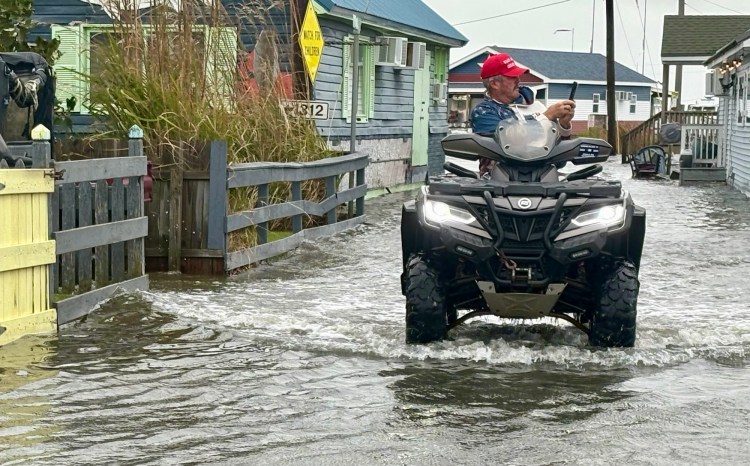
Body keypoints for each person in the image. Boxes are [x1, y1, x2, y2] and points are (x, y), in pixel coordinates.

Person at [470, 52, 576, 177]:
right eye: (512, 77)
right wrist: (546, 117)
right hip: (498, 185)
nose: (518, 80)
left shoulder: (536, 106)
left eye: (518, 76)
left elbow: (559, 161)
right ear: (494, 84)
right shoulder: (483, 112)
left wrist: (563, 126)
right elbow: (511, 143)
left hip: (545, 182)